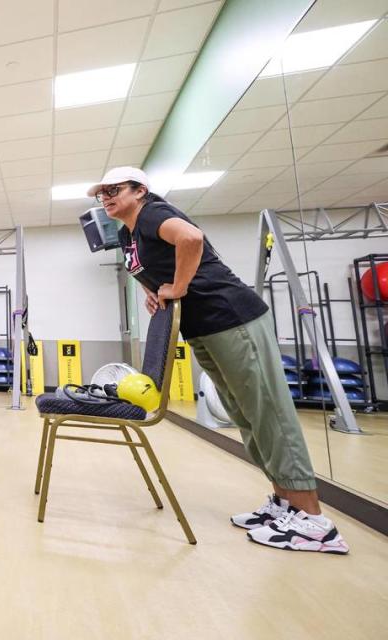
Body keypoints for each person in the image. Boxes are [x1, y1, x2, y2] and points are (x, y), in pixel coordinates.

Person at [90, 166, 349, 555]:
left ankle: (314, 522)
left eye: (114, 189)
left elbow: (192, 239)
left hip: (231, 318)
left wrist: (177, 286)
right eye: (101, 193)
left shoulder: (153, 214)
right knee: (245, 416)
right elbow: (146, 267)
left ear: (140, 190)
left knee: (269, 414)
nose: (106, 197)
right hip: (204, 327)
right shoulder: (129, 232)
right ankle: (285, 504)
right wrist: (153, 291)